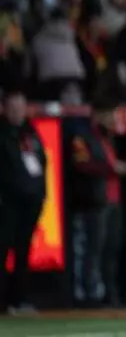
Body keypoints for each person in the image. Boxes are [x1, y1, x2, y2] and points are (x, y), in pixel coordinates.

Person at [69, 95, 126, 307]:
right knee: (93, 250)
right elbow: (81, 164)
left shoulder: (109, 138)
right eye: (110, 115)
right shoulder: (82, 137)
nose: (113, 119)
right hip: (95, 201)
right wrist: (111, 169)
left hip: (114, 201)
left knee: (111, 250)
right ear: (98, 115)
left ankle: (110, 295)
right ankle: (90, 295)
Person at [0, 89, 46, 314]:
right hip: (7, 202)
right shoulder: (3, 133)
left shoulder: (30, 131)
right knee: (3, 249)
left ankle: (19, 300)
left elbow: (41, 161)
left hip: (31, 201)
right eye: (13, 108)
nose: (18, 112)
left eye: (21, 107)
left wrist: (39, 193)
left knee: (23, 251)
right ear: (5, 109)